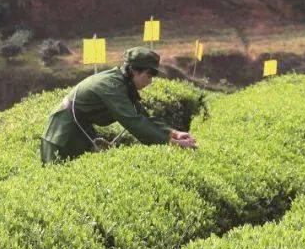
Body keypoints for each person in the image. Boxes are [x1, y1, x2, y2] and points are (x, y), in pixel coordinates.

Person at [41, 46, 197, 164]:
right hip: (61, 134)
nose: (150, 81)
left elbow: (142, 116)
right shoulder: (112, 86)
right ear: (135, 71)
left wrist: (174, 133)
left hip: (78, 130)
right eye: (149, 75)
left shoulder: (124, 83)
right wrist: (173, 144)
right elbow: (134, 122)